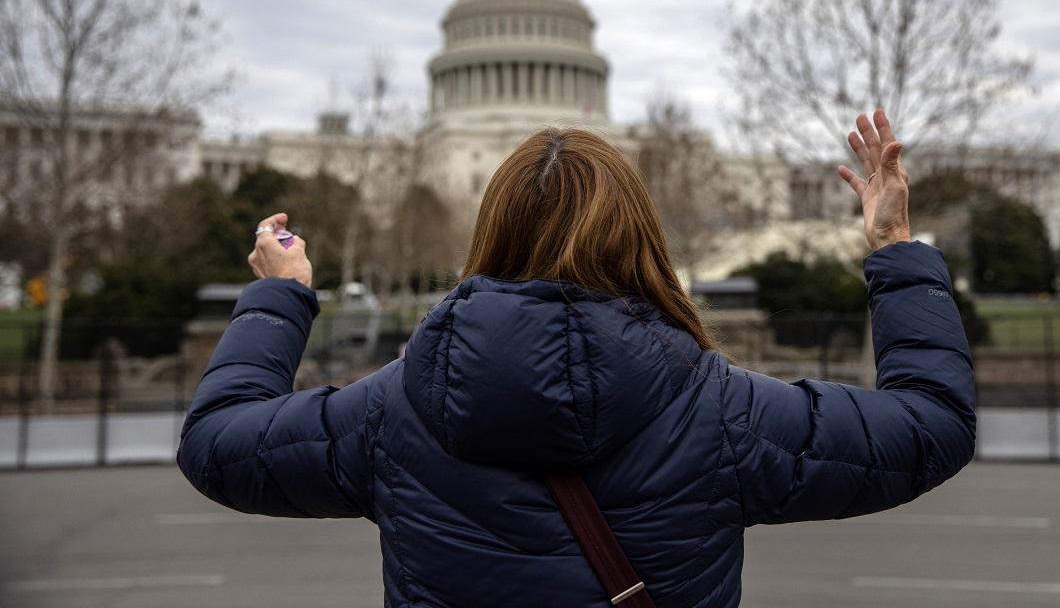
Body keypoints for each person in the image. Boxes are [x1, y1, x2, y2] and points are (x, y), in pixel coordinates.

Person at [177, 109, 975, 608]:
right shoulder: (723, 414)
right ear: (640, 235)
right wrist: (895, 249)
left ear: (491, 232)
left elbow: (217, 442)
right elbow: (932, 424)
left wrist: (282, 294)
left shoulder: (393, 414)